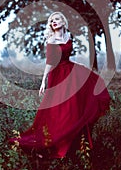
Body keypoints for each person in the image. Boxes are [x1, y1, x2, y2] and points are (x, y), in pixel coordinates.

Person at [9, 12, 111, 158]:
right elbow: (50, 62)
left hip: (70, 71)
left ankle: (76, 144)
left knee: (75, 107)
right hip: (57, 76)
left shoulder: (68, 36)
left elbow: (67, 55)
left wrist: (79, 66)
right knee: (58, 109)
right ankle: (55, 142)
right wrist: (44, 80)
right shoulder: (51, 40)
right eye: (51, 21)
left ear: (63, 21)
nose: (53, 22)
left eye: (56, 19)